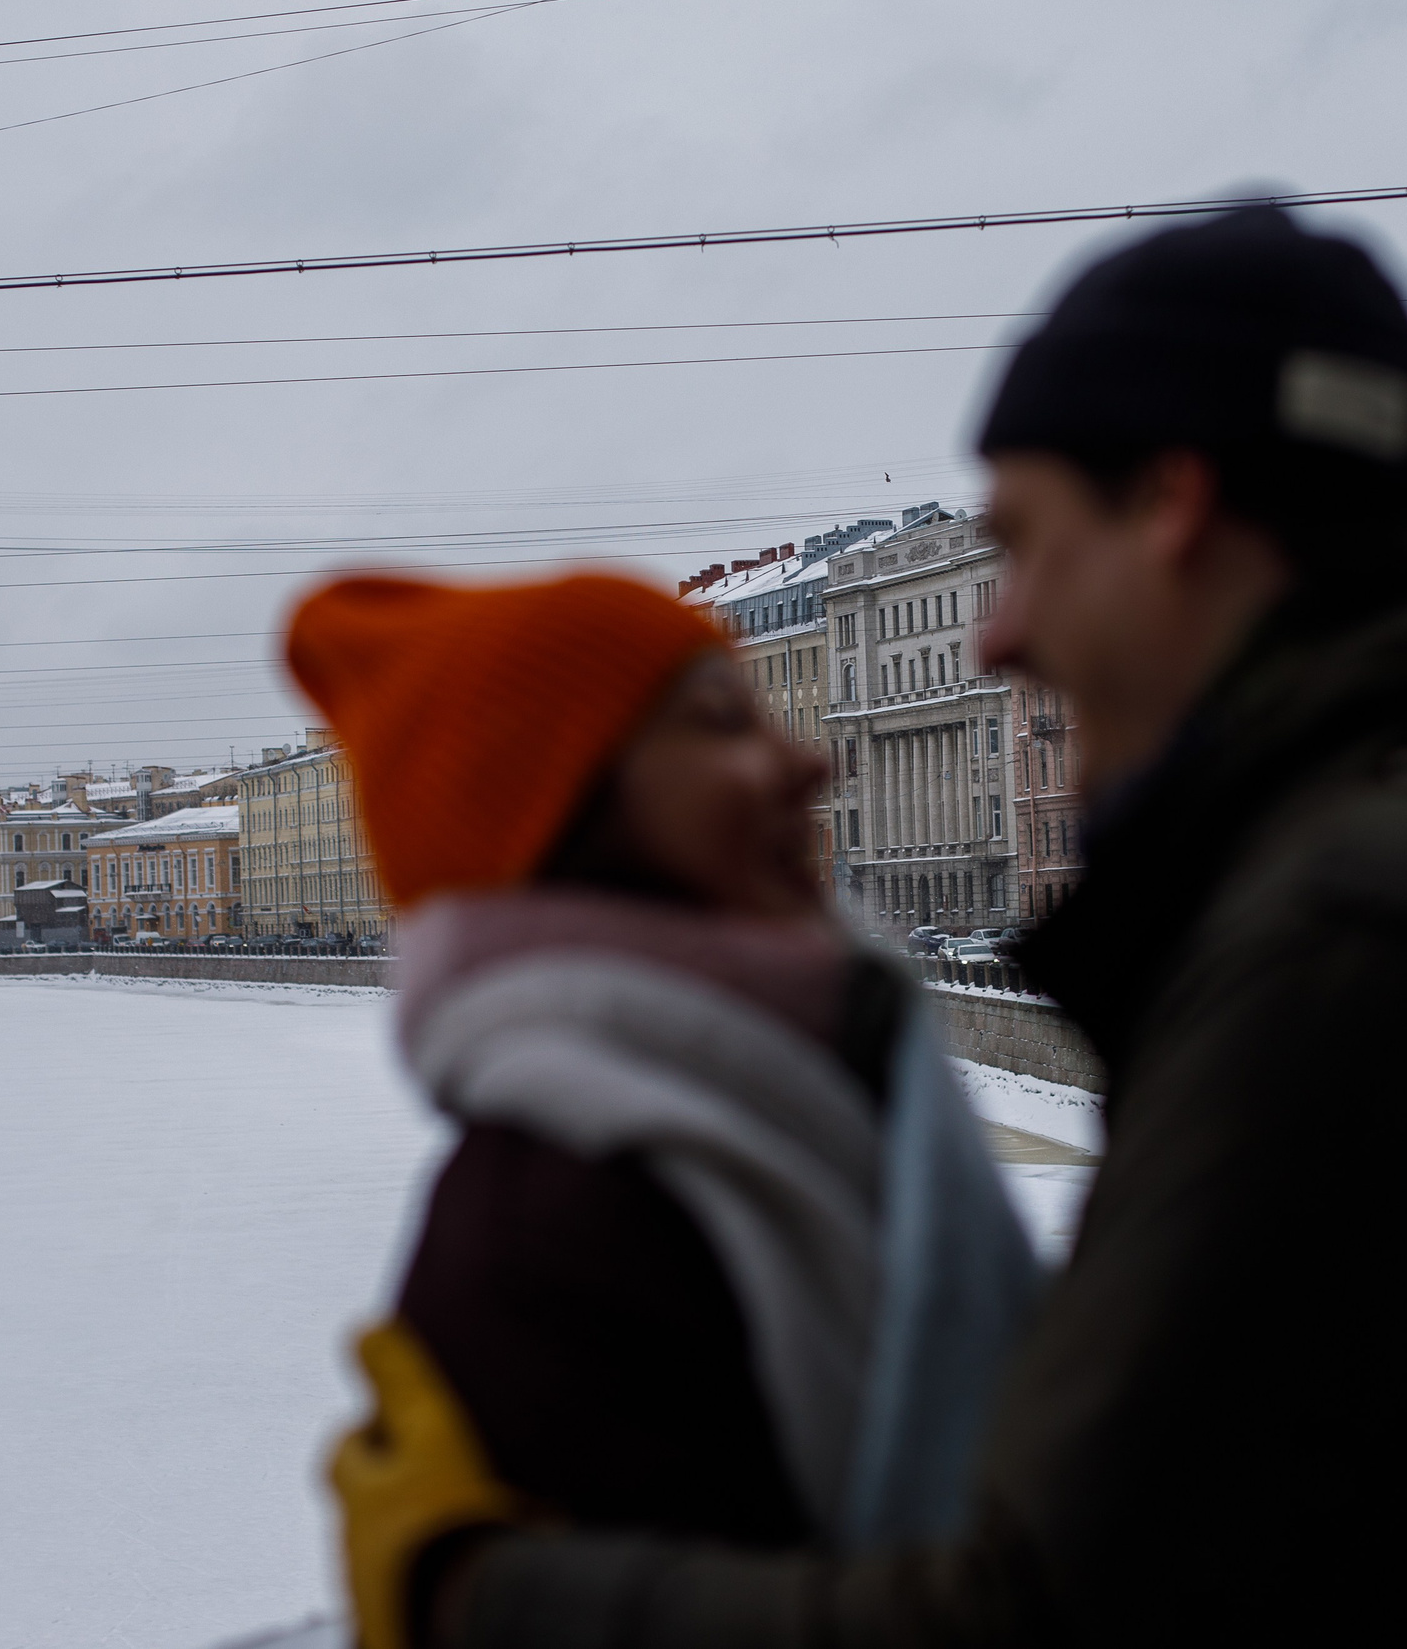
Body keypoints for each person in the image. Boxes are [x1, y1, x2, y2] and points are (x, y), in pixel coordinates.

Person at [329, 208, 1407, 1646]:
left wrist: (479, 1594)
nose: (998, 634)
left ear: (1172, 509)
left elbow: (1053, 1618)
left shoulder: (1364, 947)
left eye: (1023, 543)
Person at [295, 574, 1040, 1649]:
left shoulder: (820, 1086)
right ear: (567, 811)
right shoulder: (543, 1224)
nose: (811, 762)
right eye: (720, 721)